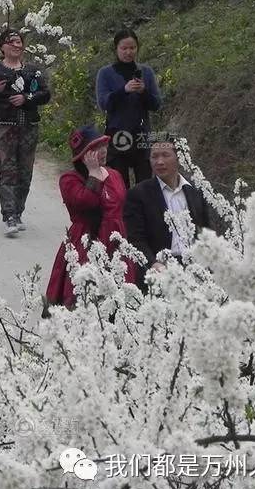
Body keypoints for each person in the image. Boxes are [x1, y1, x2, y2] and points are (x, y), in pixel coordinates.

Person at [44, 124, 138, 311]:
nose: (102, 151)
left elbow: (123, 207)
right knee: (84, 295)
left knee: (119, 299)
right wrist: (94, 175)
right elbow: (85, 203)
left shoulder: (115, 175)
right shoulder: (69, 180)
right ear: (83, 155)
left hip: (116, 241)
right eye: (94, 148)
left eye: (103, 145)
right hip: (86, 241)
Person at [0, 29, 52, 237]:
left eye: (19, 42)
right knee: (8, 170)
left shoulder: (33, 71)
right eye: (11, 42)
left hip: (29, 126)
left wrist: (27, 99)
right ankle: (9, 214)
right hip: (4, 126)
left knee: (25, 172)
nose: (16, 45)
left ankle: (18, 212)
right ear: (2, 47)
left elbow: (45, 94)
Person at [124, 136, 219, 292]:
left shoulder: (195, 191)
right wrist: (153, 263)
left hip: (196, 267)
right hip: (162, 269)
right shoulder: (138, 194)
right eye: (154, 156)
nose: (159, 162)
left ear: (178, 158)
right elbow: (136, 238)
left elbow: (207, 230)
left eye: (165, 155)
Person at [96, 29, 163, 187]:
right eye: (124, 48)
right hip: (118, 135)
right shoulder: (105, 73)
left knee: (145, 185)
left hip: (141, 135)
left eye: (132, 48)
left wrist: (143, 92)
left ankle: (142, 212)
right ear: (116, 49)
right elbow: (104, 103)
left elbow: (156, 104)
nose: (128, 52)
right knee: (119, 186)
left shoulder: (146, 72)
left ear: (137, 48)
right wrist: (123, 91)